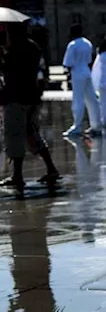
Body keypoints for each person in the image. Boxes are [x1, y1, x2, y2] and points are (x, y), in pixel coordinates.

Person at [2, 19, 60, 193]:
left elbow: (10, 72)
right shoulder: (33, 47)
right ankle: (51, 168)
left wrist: (2, 58)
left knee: (15, 135)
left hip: (16, 98)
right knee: (31, 133)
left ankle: (17, 176)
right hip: (31, 97)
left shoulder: (15, 49)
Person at [62, 24, 101, 137]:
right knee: (92, 99)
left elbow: (67, 63)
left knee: (78, 99)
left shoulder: (72, 45)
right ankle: (96, 125)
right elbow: (89, 59)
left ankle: (77, 126)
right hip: (87, 71)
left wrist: (67, 72)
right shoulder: (88, 43)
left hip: (77, 72)